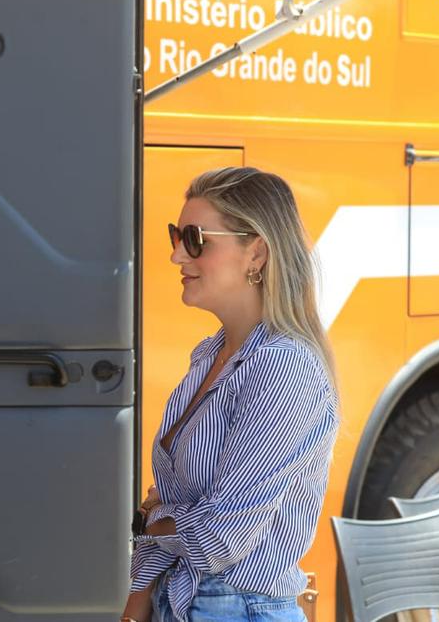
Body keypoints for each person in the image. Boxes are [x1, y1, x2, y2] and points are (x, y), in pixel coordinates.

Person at [122, 167, 339, 622]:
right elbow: (180, 519)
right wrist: (139, 593)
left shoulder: (283, 366)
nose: (177, 255)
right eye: (176, 236)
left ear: (255, 252)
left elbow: (221, 536)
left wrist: (154, 518)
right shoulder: (211, 354)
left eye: (195, 239)